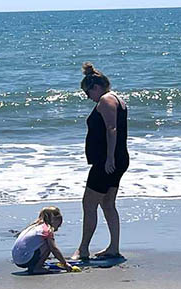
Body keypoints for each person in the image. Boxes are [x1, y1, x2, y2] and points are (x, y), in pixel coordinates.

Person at [72, 62, 129, 260]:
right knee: (107, 203)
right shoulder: (116, 99)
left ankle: (83, 249)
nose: (88, 98)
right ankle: (113, 247)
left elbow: (112, 129)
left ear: (96, 87)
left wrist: (109, 158)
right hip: (116, 159)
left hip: (108, 161)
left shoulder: (106, 100)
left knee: (89, 203)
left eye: (88, 93)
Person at [12, 206, 73, 274]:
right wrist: (64, 263)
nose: (57, 229)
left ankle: (34, 265)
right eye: (58, 225)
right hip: (25, 260)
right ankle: (37, 268)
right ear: (54, 220)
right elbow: (54, 249)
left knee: (40, 243)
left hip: (17, 259)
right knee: (49, 245)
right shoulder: (47, 229)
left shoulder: (33, 226)